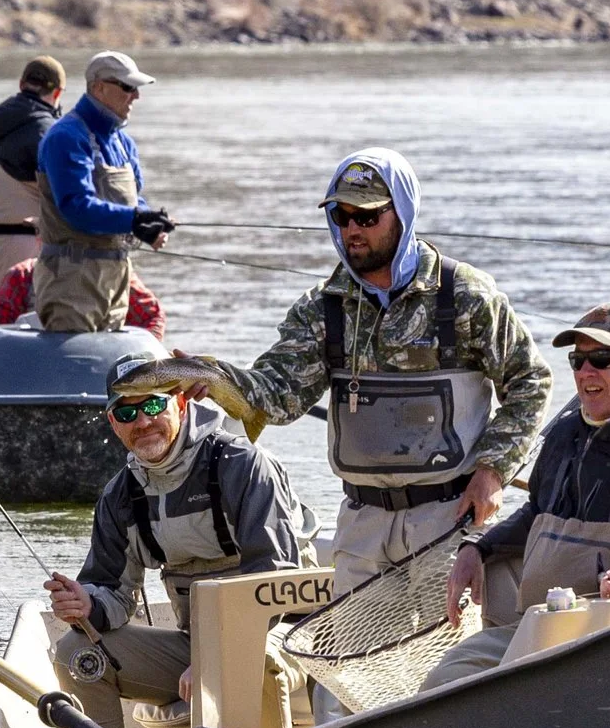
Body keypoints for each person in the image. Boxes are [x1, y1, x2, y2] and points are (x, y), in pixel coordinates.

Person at [207, 148, 551, 597]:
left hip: (449, 517)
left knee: (444, 660)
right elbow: (279, 396)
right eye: (341, 215)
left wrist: (492, 471)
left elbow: (531, 383)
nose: (352, 229)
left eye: (367, 217)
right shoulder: (322, 308)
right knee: (352, 664)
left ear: (403, 213)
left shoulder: (465, 295)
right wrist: (213, 379)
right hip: (361, 524)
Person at [421, 302, 610, 691]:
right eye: (577, 360)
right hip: (536, 627)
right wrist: (478, 547)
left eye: (603, 358)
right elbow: (536, 514)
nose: (586, 372)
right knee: (443, 684)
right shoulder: (565, 437)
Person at [43, 352, 311, 728]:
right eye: (127, 413)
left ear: (181, 403)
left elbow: (274, 585)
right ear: (113, 424)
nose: (144, 422)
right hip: (195, 647)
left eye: (154, 404)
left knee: (252, 659)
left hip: (284, 638)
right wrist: (88, 603)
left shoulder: (244, 464)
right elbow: (113, 593)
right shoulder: (119, 496)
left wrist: (213, 660)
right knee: (77, 653)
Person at [33, 50, 173, 332]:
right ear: (98, 87)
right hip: (71, 278)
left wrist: (148, 225)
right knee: (70, 371)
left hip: (117, 276)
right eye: (127, 87)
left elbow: (135, 199)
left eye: (136, 89)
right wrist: (133, 219)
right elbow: (76, 206)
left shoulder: (124, 143)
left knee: (109, 375)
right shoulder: (66, 137)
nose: (135, 96)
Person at [0, 56, 65, 297]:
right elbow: (65, 194)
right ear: (57, 93)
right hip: (27, 247)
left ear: (22, 84)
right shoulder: (47, 131)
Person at [0, 258, 164, 342]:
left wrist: (138, 365)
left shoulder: (116, 274)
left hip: (98, 377)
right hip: (32, 375)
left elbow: (152, 318)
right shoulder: (21, 275)